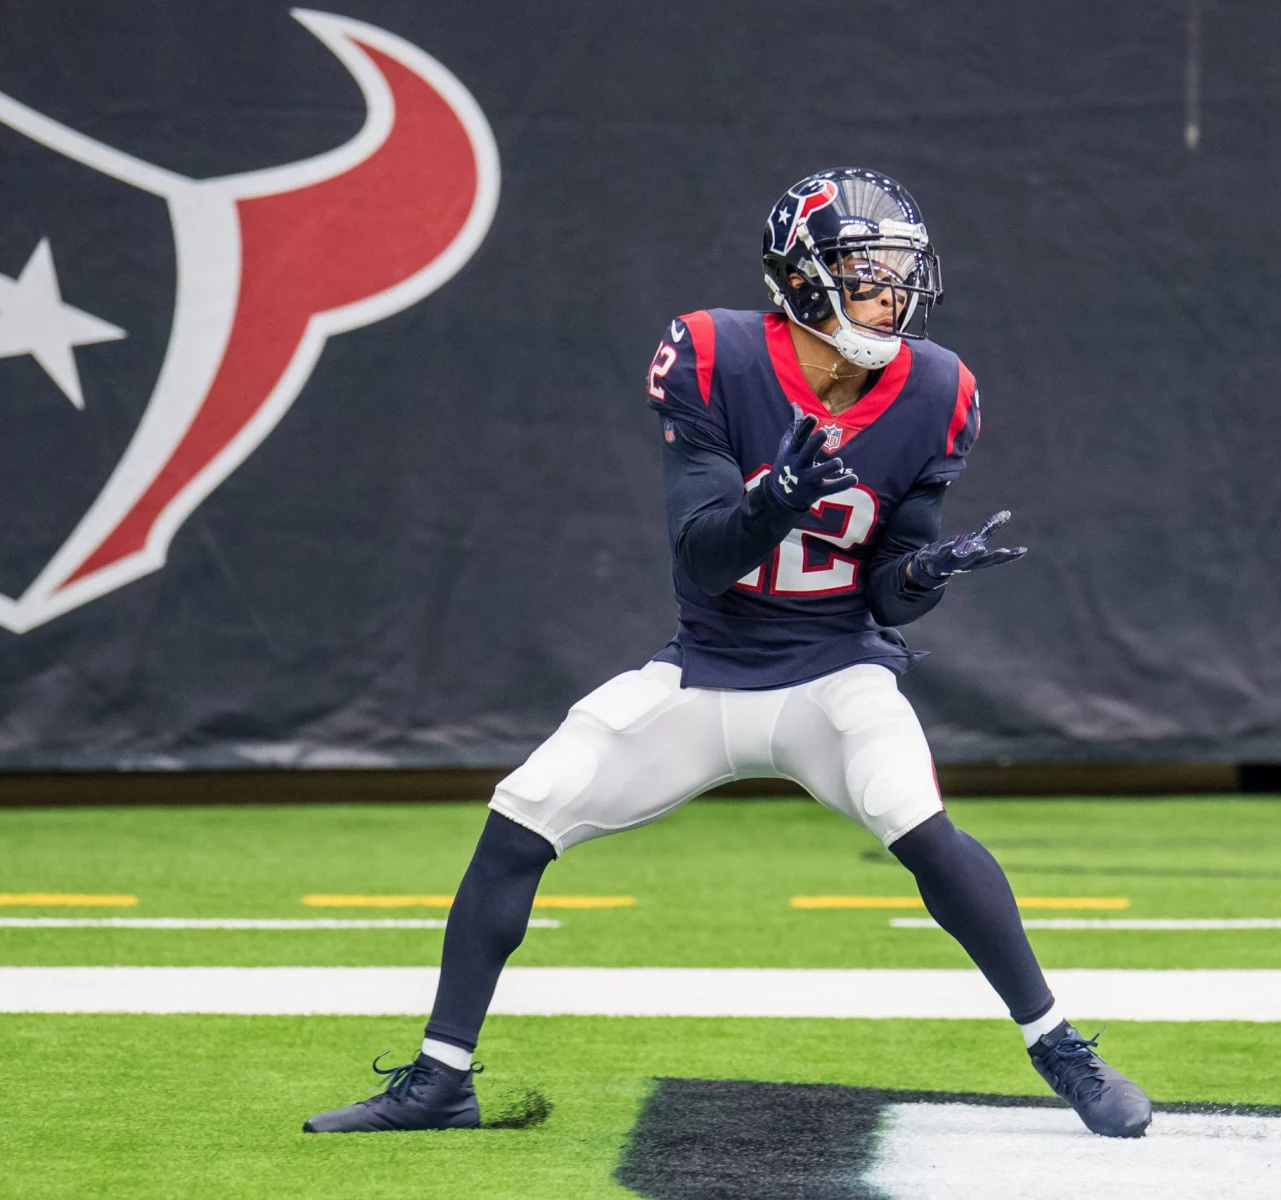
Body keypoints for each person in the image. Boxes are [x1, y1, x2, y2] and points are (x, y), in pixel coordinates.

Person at [303, 167, 1152, 1139]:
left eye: (900, 272)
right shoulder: (712, 355)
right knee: (520, 817)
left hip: (837, 671)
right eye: (864, 270)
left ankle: (1062, 1050)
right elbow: (704, 560)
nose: (892, 293)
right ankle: (440, 1082)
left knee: (917, 820)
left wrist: (926, 575)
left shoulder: (938, 388)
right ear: (799, 278)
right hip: (705, 670)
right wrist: (774, 498)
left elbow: (886, 590)